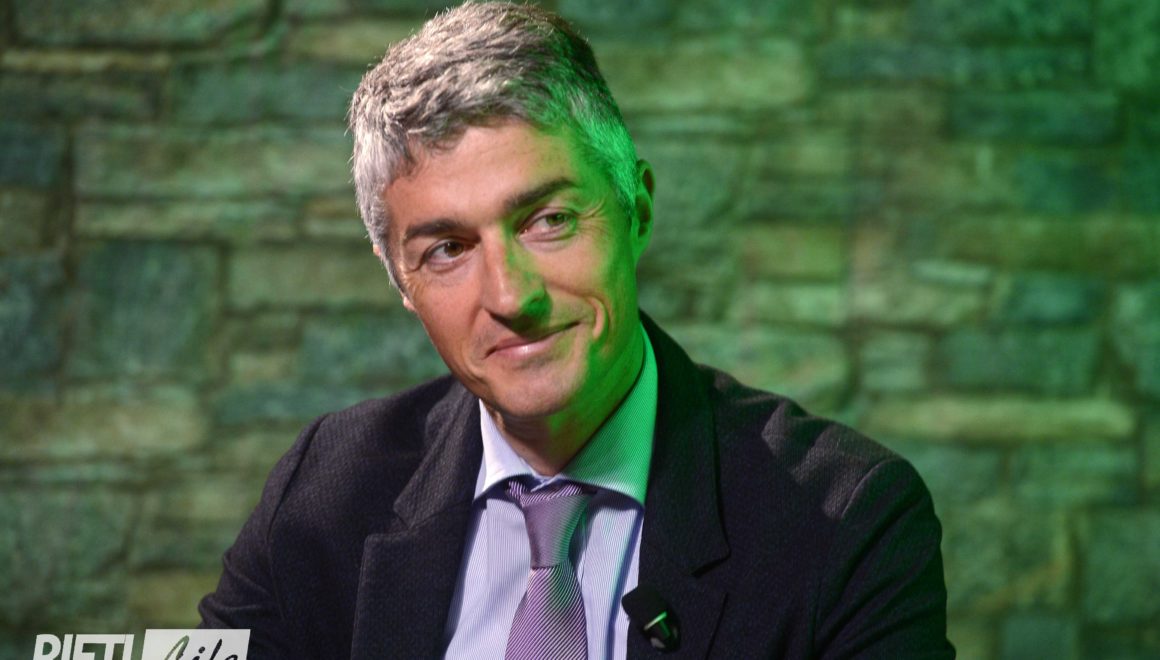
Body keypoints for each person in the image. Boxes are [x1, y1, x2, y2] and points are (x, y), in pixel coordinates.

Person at [199, 2, 954, 658]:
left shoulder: (844, 519)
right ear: (401, 278)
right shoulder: (323, 491)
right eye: (449, 249)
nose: (510, 296)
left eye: (549, 220)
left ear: (637, 210)